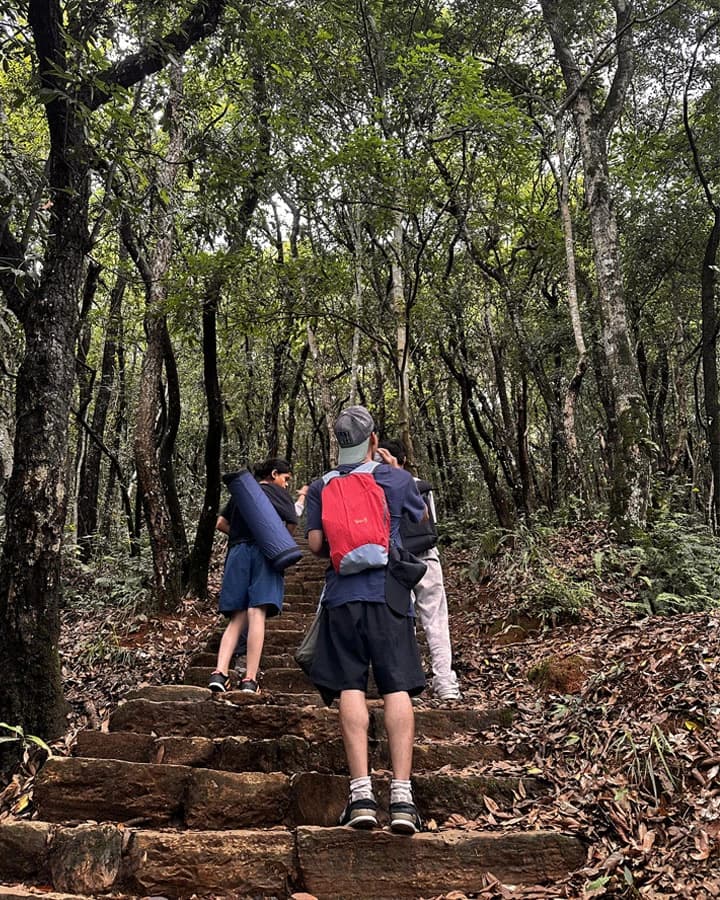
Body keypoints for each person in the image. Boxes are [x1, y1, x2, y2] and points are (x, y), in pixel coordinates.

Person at [305, 405, 428, 835]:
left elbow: (317, 543)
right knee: (396, 687)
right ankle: (402, 799)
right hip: (390, 596)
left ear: (339, 443)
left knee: (349, 687)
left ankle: (360, 795)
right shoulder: (395, 479)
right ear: (373, 440)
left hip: (342, 598)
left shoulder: (322, 485)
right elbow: (421, 523)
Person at [378, 439, 461, 702]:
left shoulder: (406, 486)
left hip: (413, 558)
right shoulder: (417, 485)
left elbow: (424, 518)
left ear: (400, 460)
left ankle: (442, 680)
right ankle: (420, 682)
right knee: (410, 621)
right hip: (404, 559)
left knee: (429, 619)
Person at [209, 457, 298, 694]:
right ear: (274, 473)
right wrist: (274, 539)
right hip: (265, 552)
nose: (286, 484)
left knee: (237, 617)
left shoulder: (243, 492)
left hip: (238, 552)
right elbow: (291, 524)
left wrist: (240, 535)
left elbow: (220, 523)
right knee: (256, 612)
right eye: (285, 479)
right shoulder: (278, 494)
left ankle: (219, 673)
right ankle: (249, 678)